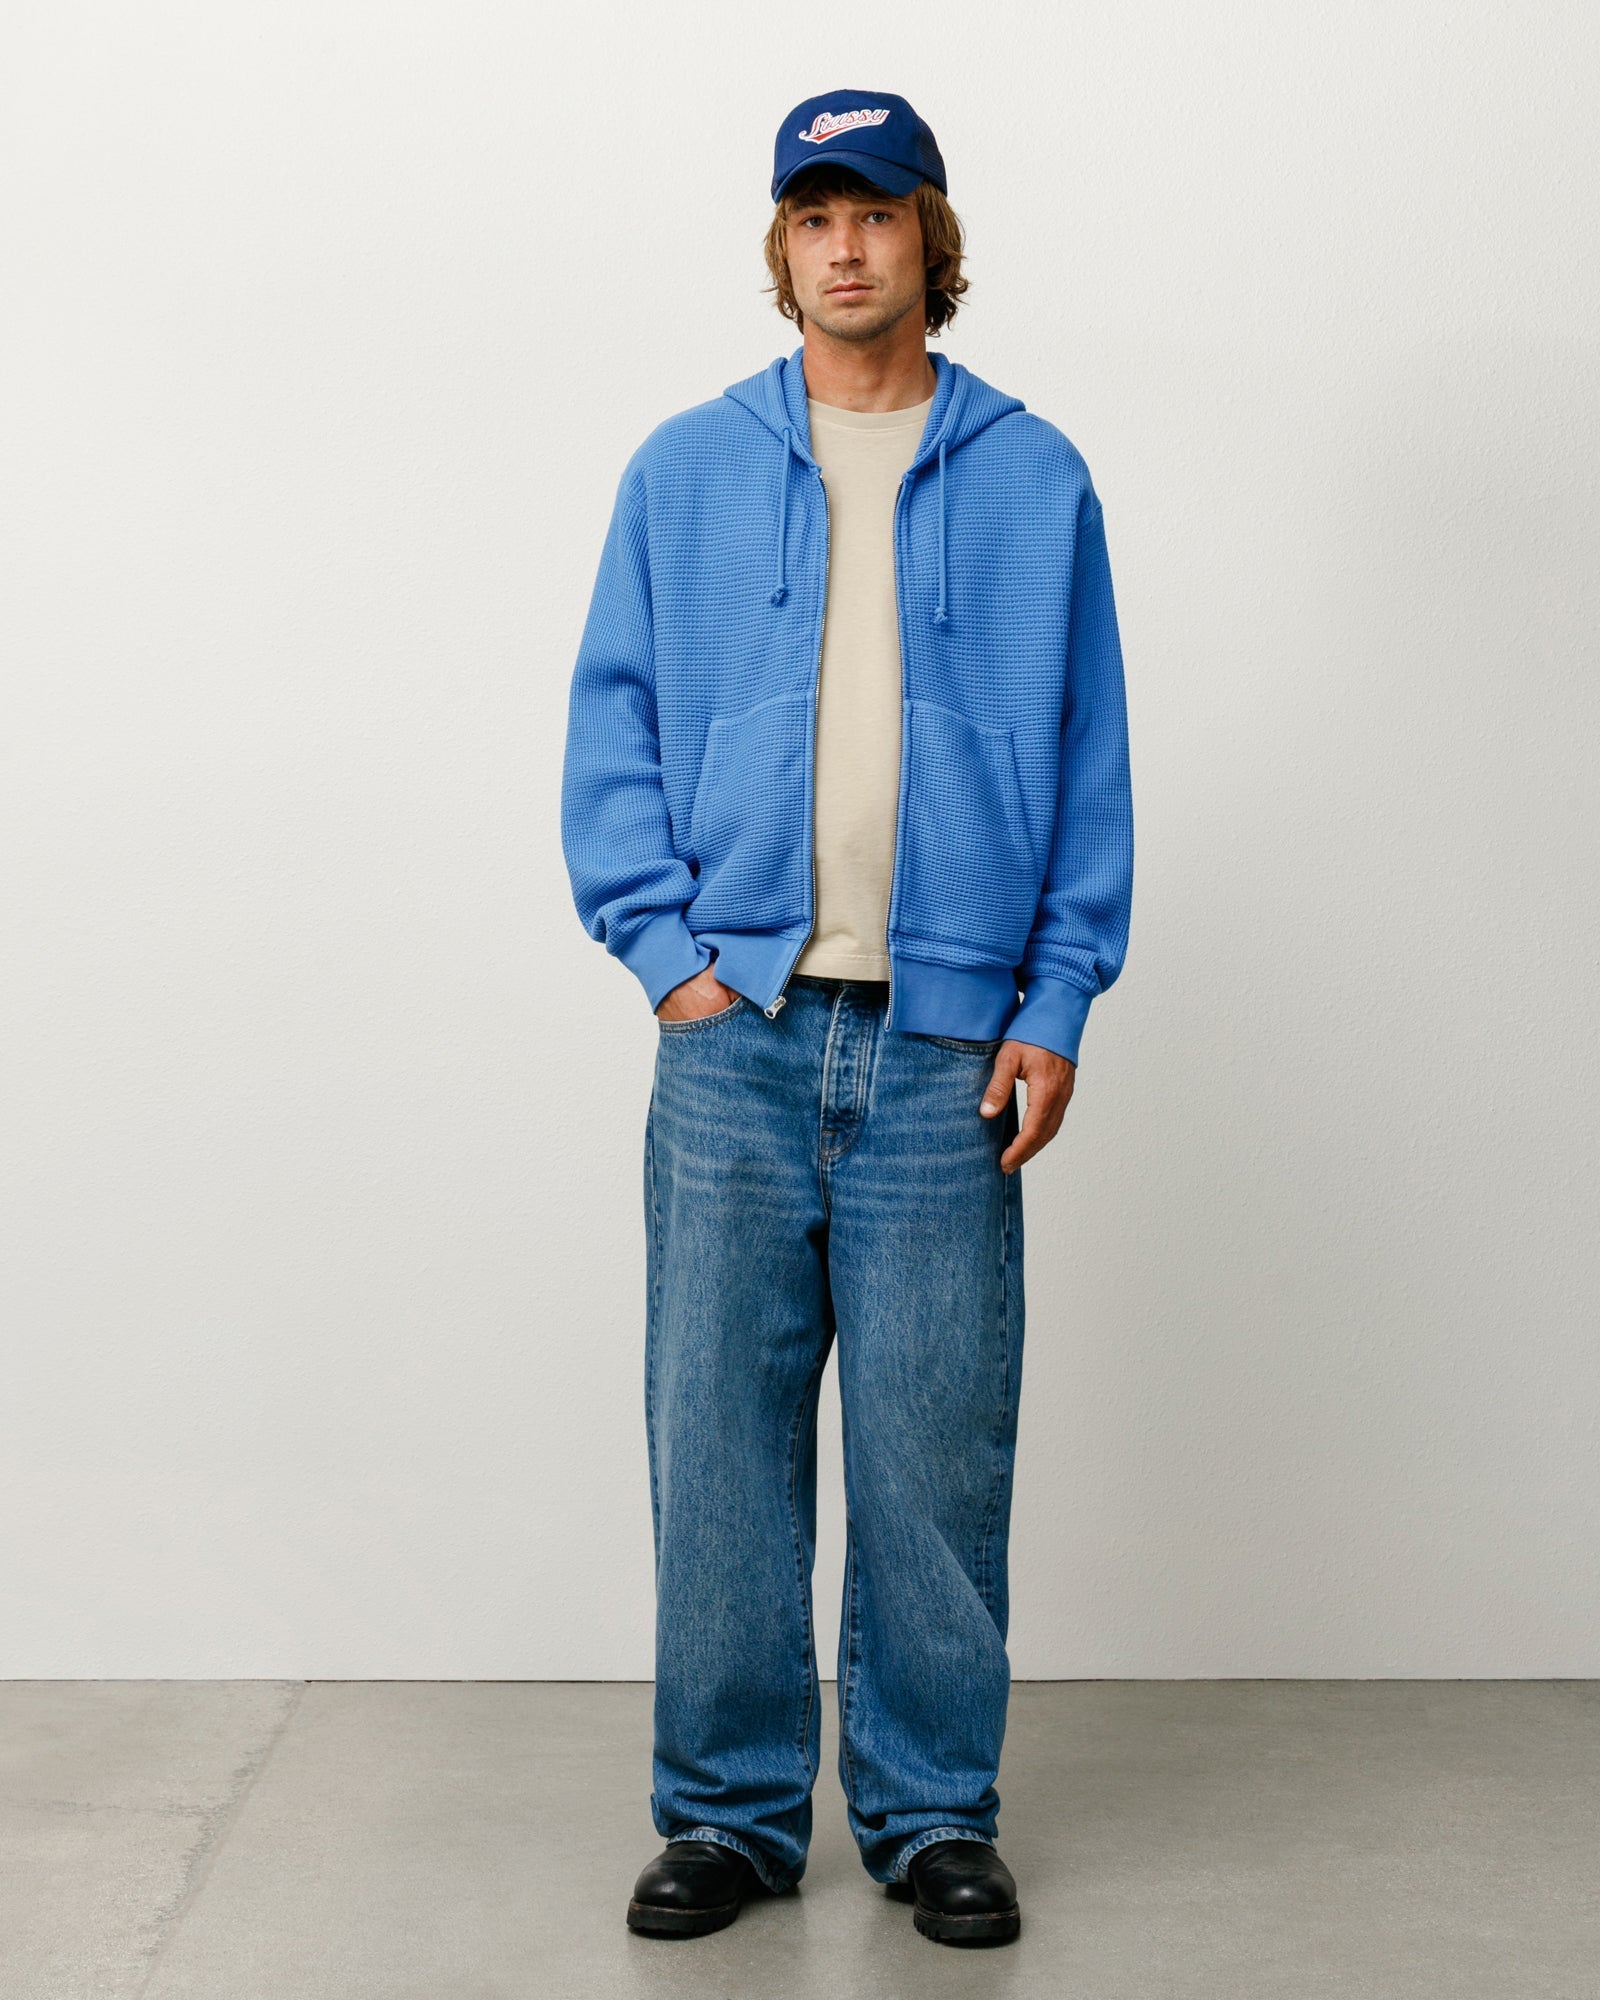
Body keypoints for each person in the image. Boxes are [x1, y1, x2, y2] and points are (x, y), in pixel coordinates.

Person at [560, 87, 1134, 1948]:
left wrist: (1055, 998)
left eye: (876, 211)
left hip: (948, 1048)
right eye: (813, 216)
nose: (845, 245)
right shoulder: (685, 471)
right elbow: (613, 731)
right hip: (734, 1037)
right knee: (718, 1448)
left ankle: (933, 1809)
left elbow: (1089, 759)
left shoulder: (1036, 479)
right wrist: (670, 957)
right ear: (782, 249)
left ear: (929, 237)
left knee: (933, 1453)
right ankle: (729, 1817)